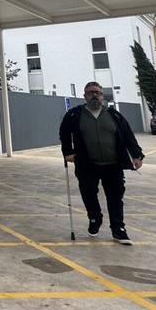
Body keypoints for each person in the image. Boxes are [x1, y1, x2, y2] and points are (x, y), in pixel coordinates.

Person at [59, 82, 145, 245]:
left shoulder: (114, 115)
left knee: (116, 197)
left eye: (97, 93)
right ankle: (94, 218)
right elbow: (64, 133)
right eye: (90, 93)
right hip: (87, 164)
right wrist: (67, 152)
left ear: (102, 96)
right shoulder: (74, 115)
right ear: (84, 96)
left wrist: (137, 155)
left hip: (113, 164)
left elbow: (128, 135)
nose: (94, 95)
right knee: (88, 193)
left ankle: (118, 229)